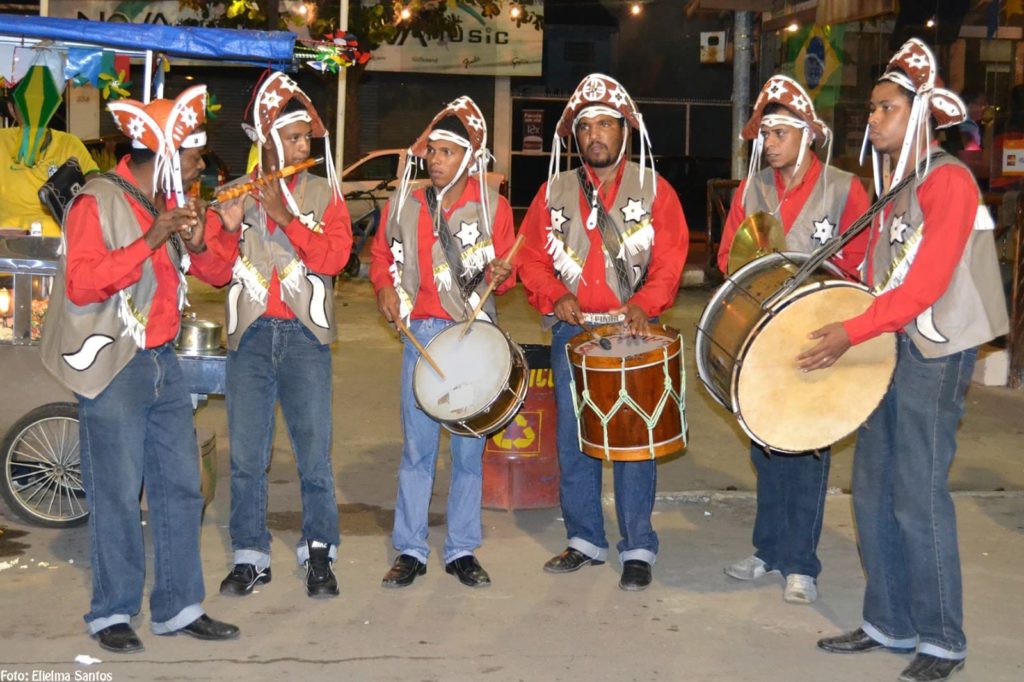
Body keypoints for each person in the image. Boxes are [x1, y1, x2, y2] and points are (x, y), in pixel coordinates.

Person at [804, 39, 1007, 682]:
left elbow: (922, 287)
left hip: (936, 351)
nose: (873, 119)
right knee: (872, 490)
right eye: (871, 109)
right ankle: (887, 622)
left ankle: (943, 638)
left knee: (917, 493)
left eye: (885, 109)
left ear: (919, 115)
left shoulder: (949, 180)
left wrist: (848, 332)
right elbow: (870, 271)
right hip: (892, 342)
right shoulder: (896, 187)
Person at [39, 85, 239, 653]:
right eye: (195, 156)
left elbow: (219, 275)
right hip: (115, 364)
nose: (201, 166)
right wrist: (151, 239)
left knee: (181, 487)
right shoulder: (96, 201)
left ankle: (178, 607)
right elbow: (80, 283)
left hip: (162, 361)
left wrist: (208, 236)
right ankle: (112, 612)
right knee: (118, 491)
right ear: (166, 155)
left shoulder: (169, 200)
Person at [517, 73, 688, 591]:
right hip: (575, 334)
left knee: (635, 442)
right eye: (585, 126)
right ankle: (584, 538)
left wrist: (643, 304)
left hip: (634, 334)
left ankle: (638, 545)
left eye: (605, 124)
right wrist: (554, 297)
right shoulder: (554, 191)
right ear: (575, 136)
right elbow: (531, 259)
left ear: (624, 131)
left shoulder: (655, 188)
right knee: (575, 441)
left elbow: (670, 260)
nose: (594, 134)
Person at [716, 75, 870, 605]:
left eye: (779, 132)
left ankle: (801, 563)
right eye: (766, 134)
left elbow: (866, 265)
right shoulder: (751, 188)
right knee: (764, 447)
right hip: (761, 338)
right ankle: (769, 551)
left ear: (808, 135)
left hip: (817, 338)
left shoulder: (846, 188)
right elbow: (725, 259)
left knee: (806, 449)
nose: (770, 142)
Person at [204, 72, 352, 599]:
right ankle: (250, 555)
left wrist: (287, 217)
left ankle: (320, 552)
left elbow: (336, 257)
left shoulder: (322, 193)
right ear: (266, 143)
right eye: (293, 138)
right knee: (247, 456)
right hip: (249, 339)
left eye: (307, 137)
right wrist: (221, 228)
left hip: (305, 338)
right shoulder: (233, 194)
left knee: (314, 453)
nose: (303, 144)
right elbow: (214, 272)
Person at [370, 97, 516, 589]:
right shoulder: (402, 203)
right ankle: (410, 549)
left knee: (469, 453)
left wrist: (503, 271)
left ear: (468, 159)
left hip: (475, 335)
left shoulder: (493, 206)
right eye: (431, 151)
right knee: (417, 450)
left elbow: (507, 277)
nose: (434, 159)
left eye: (446, 152)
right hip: (423, 336)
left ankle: (461, 549)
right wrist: (385, 289)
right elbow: (379, 258)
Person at [0, 66, 99, 236]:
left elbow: (95, 183)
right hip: (7, 234)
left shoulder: (69, 143)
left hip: (57, 236)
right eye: (26, 104)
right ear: (11, 109)